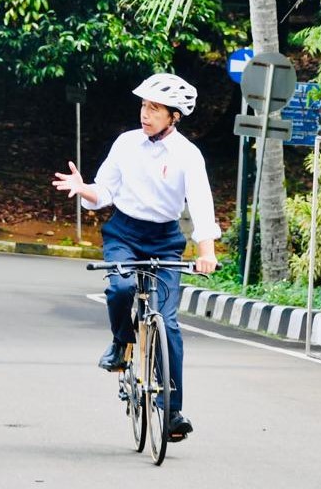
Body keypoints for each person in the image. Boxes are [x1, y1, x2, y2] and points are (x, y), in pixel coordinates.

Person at [51, 73, 220, 442]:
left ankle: (173, 412)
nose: (145, 114)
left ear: (173, 116)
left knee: (170, 323)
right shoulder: (126, 143)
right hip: (124, 233)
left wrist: (206, 252)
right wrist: (84, 190)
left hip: (164, 240)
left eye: (155, 108)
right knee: (120, 288)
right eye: (144, 106)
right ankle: (120, 344)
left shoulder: (187, 155)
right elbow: (106, 190)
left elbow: (202, 205)